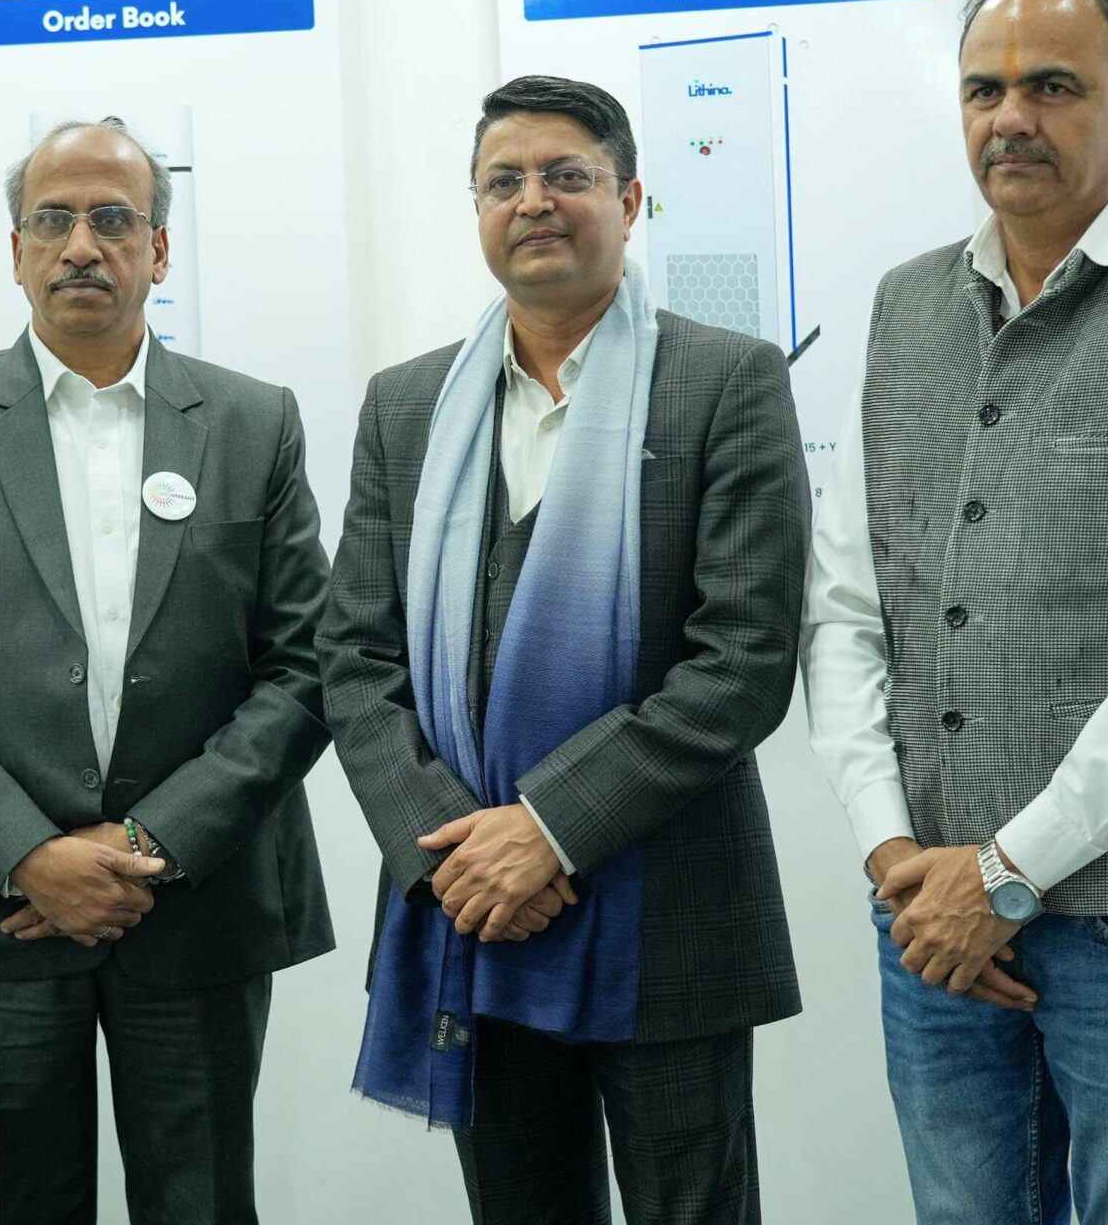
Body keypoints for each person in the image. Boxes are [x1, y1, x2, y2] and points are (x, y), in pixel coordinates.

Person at [320, 75, 807, 1224]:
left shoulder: (725, 381)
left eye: (566, 175)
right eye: (504, 181)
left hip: (664, 911)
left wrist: (543, 827)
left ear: (629, 199)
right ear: (478, 210)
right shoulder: (406, 405)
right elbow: (353, 655)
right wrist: (452, 852)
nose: (532, 200)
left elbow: (741, 661)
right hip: (475, 912)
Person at [0, 118, 335, 1223]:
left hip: (198, 905)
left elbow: (305, 663)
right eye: (52, 220)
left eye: (113, 219)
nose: (80, 245)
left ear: (158, 249)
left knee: (205, 1205)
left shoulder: (253, 421)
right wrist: (27, 854)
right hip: (1, 915)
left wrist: (150, 843)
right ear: (15, 249)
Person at [801, 0, 1108, 1224]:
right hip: (924, 914)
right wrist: (896, 856)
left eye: (1052, 86)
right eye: (984, 90)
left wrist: (1006, 868)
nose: (1010, 118)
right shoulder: (904, 304)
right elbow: (848, 605)